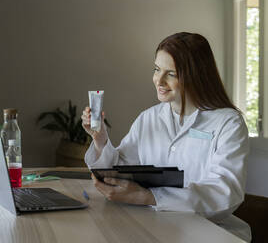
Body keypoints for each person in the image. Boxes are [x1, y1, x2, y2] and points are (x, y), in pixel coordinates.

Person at [81, 32, 251, 242]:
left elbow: (225, 193)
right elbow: (121, 168)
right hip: (157, 226)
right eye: (157, 69)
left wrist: (149, 197)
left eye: (171, 73)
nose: (158, 80)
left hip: (211, 233)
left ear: (196, 75)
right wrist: (100, 139)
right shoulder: (149, 118)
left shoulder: (228, 122)